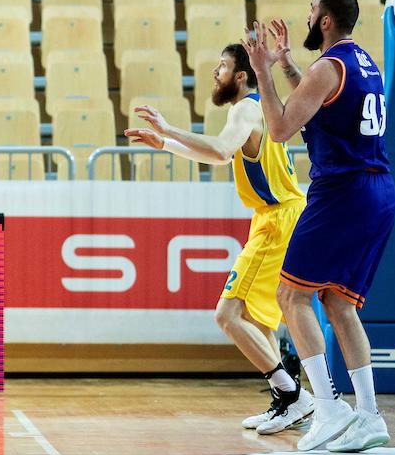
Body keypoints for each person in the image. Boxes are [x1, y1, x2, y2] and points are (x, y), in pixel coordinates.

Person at [125, 44, 312, 434]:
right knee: (258, 324)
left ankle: (294, 394)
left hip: (277, 219)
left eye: (223, 66)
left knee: (227, 315)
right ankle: (286, 400)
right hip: (279, 216)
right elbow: (222, 156)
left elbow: (221, 148)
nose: (216, 72)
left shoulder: (246, 108)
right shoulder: (255, 109)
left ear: (240, 76)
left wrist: (168, 129)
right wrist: (169, 146)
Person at [242, 0, 395, 453]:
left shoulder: (327, 67)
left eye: (311, 11)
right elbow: (318, 101)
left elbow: (280, 128)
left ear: (325, 21)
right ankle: (369, 415)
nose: (307, 16)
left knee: (291, 295)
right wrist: (288, 65)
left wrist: (262, 73)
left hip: (342, 191)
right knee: (338, 303)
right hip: (379, 192)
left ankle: (327, 409)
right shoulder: (361, 63)